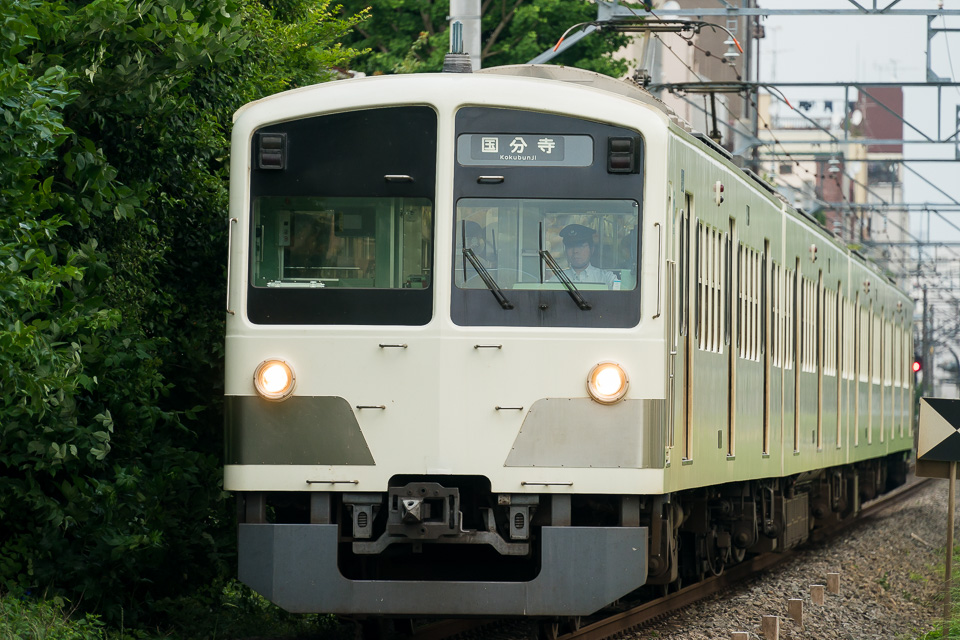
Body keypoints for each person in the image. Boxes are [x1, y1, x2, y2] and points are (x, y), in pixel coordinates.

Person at [557, 223, 616, 289]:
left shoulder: (607, 279)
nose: (575, 251)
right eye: (570, 246)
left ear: (592, 249)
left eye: (580, 246)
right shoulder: (556, 281)